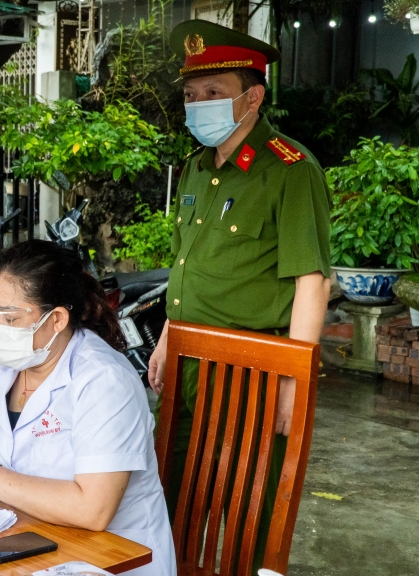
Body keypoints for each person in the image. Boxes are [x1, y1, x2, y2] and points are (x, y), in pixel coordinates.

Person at [146, 19, 331, 568]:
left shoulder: (290, 170)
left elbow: (311, 282)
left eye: (213, 93)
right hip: (184, 366)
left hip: (251, 371)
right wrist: (164, 340)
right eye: (190, 95)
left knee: (247, 513)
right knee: (170, 501)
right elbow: (186, 270)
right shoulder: (195, 169)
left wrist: (294, 387)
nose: (197, 104)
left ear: (254, 96)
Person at [0, 241, 176, 576]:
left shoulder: (103, 379)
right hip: (23, 540)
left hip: (110, 557)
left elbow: (93, 509)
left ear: (56, 319)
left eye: (10, 317)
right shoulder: (2, 363)